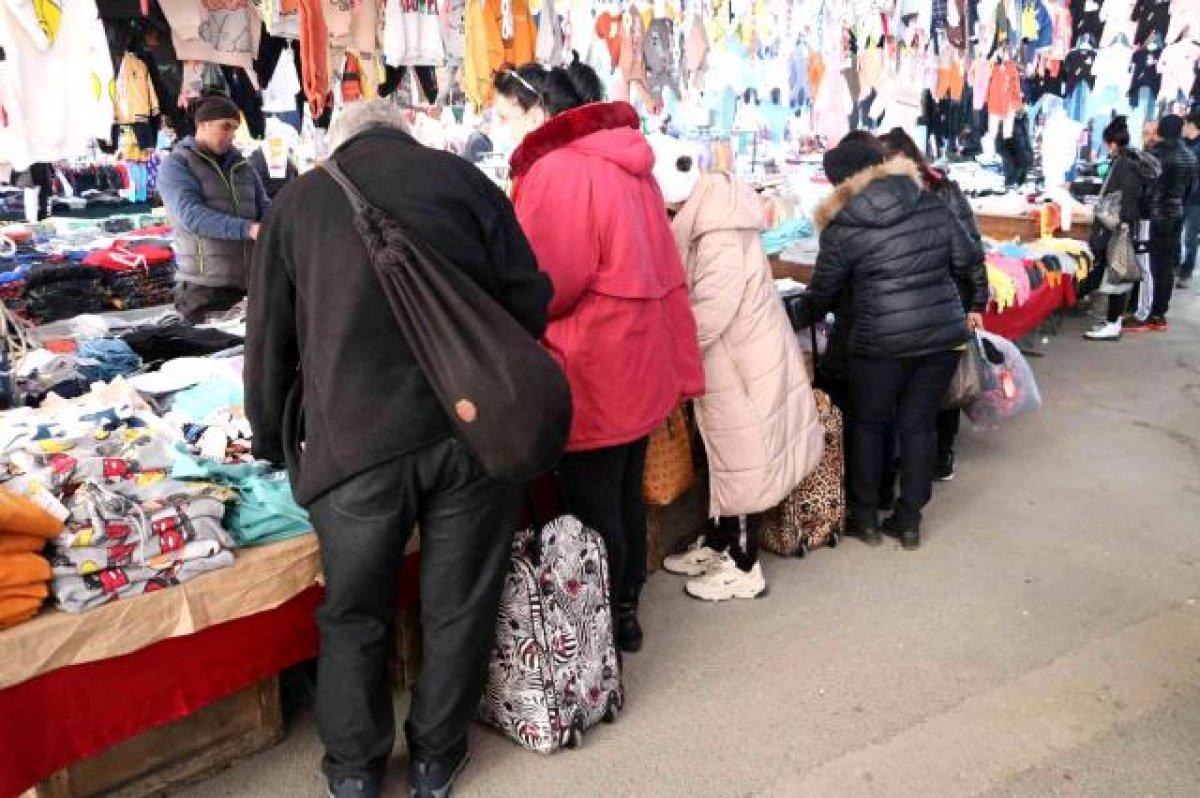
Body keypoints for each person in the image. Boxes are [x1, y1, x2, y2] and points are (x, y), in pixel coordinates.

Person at [244, 101, 552, 798]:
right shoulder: (464, 182)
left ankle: (354, 771)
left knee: (354, 611)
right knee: (457, 604)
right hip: (472, 432)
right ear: (403, 133)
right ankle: (437, 760)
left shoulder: (299, 201)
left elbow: (268, 344)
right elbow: (531, 298)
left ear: (341, 140)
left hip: (354, 444)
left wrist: (269, 435)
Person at [493, 57, 704, 649]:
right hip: (638, 355)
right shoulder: (628, 161)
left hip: (593, 359)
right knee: (622, 491)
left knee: (592, 500)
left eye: (510, 113)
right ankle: (627, 608)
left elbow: (549, 282)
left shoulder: (560, 168)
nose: (507, 125)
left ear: (542, 110)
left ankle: (604, 623)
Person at [789, 132, 986, 550]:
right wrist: (963, 304)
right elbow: (968, 260)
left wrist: (788, 317)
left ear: (844, 180)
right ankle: (909, 520)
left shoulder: (843, 225)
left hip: (878, 341)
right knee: (919, 425)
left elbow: (821, 294)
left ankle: (864, 518)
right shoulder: (929, 202)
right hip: (938, 338)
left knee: (869, 424)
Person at [650, 135, 825, 601]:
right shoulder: (709, 211)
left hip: (738, 362)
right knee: (725, 454)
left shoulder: (717, 229)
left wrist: (664, 352)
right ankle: (720, 539)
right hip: (734, 357)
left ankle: (743, 565)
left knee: (740, 455)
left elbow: (712, 309)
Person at [878, 127, 988, 483]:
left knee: (948, 386)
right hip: (912, 306)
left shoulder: (944, 192)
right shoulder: (891, 197)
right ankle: (917, 463)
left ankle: (943, 455)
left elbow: (972, 249)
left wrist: (976, 303)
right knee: (917, 391)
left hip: (948, 302)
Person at [158, 94, 269, 322]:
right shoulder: (177, 164)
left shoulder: (244, 167)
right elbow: (191, 216)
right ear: (203, 124)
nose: (231, 135)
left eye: (234, 129)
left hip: (250, 286)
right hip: (204, 289)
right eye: (225, 127)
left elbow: (266, 209)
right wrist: (249, 229)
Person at [1084, 118, 1162, 341]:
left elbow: (1127, 196)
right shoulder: (1128, 160)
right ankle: (1112, 322)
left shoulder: (1125, 164)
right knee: (1118, 274)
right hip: (1122, 226)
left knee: (1117, 274)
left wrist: (1123, 223)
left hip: (1120, 228)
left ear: (1111, 144)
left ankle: (1112, 324)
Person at [1133, 114, 1198, 331]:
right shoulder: (1190, 156)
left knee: (1150, 266)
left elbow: (1144, 187)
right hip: (1176, 214)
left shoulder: (1156, 154)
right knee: (1167, 266)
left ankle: (1147, 314)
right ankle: (1160, 312)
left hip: (1154, 216)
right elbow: (1190, 188)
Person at [1180, 110, 1200, 290]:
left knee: (1190, 237)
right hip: (1180, 196)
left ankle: (1186, 271)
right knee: (1177, 235)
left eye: (1185, 124)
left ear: (1192, 125)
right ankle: (1177, 268)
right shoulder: (1182, 144)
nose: (1183, 127)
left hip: (1195, 199)